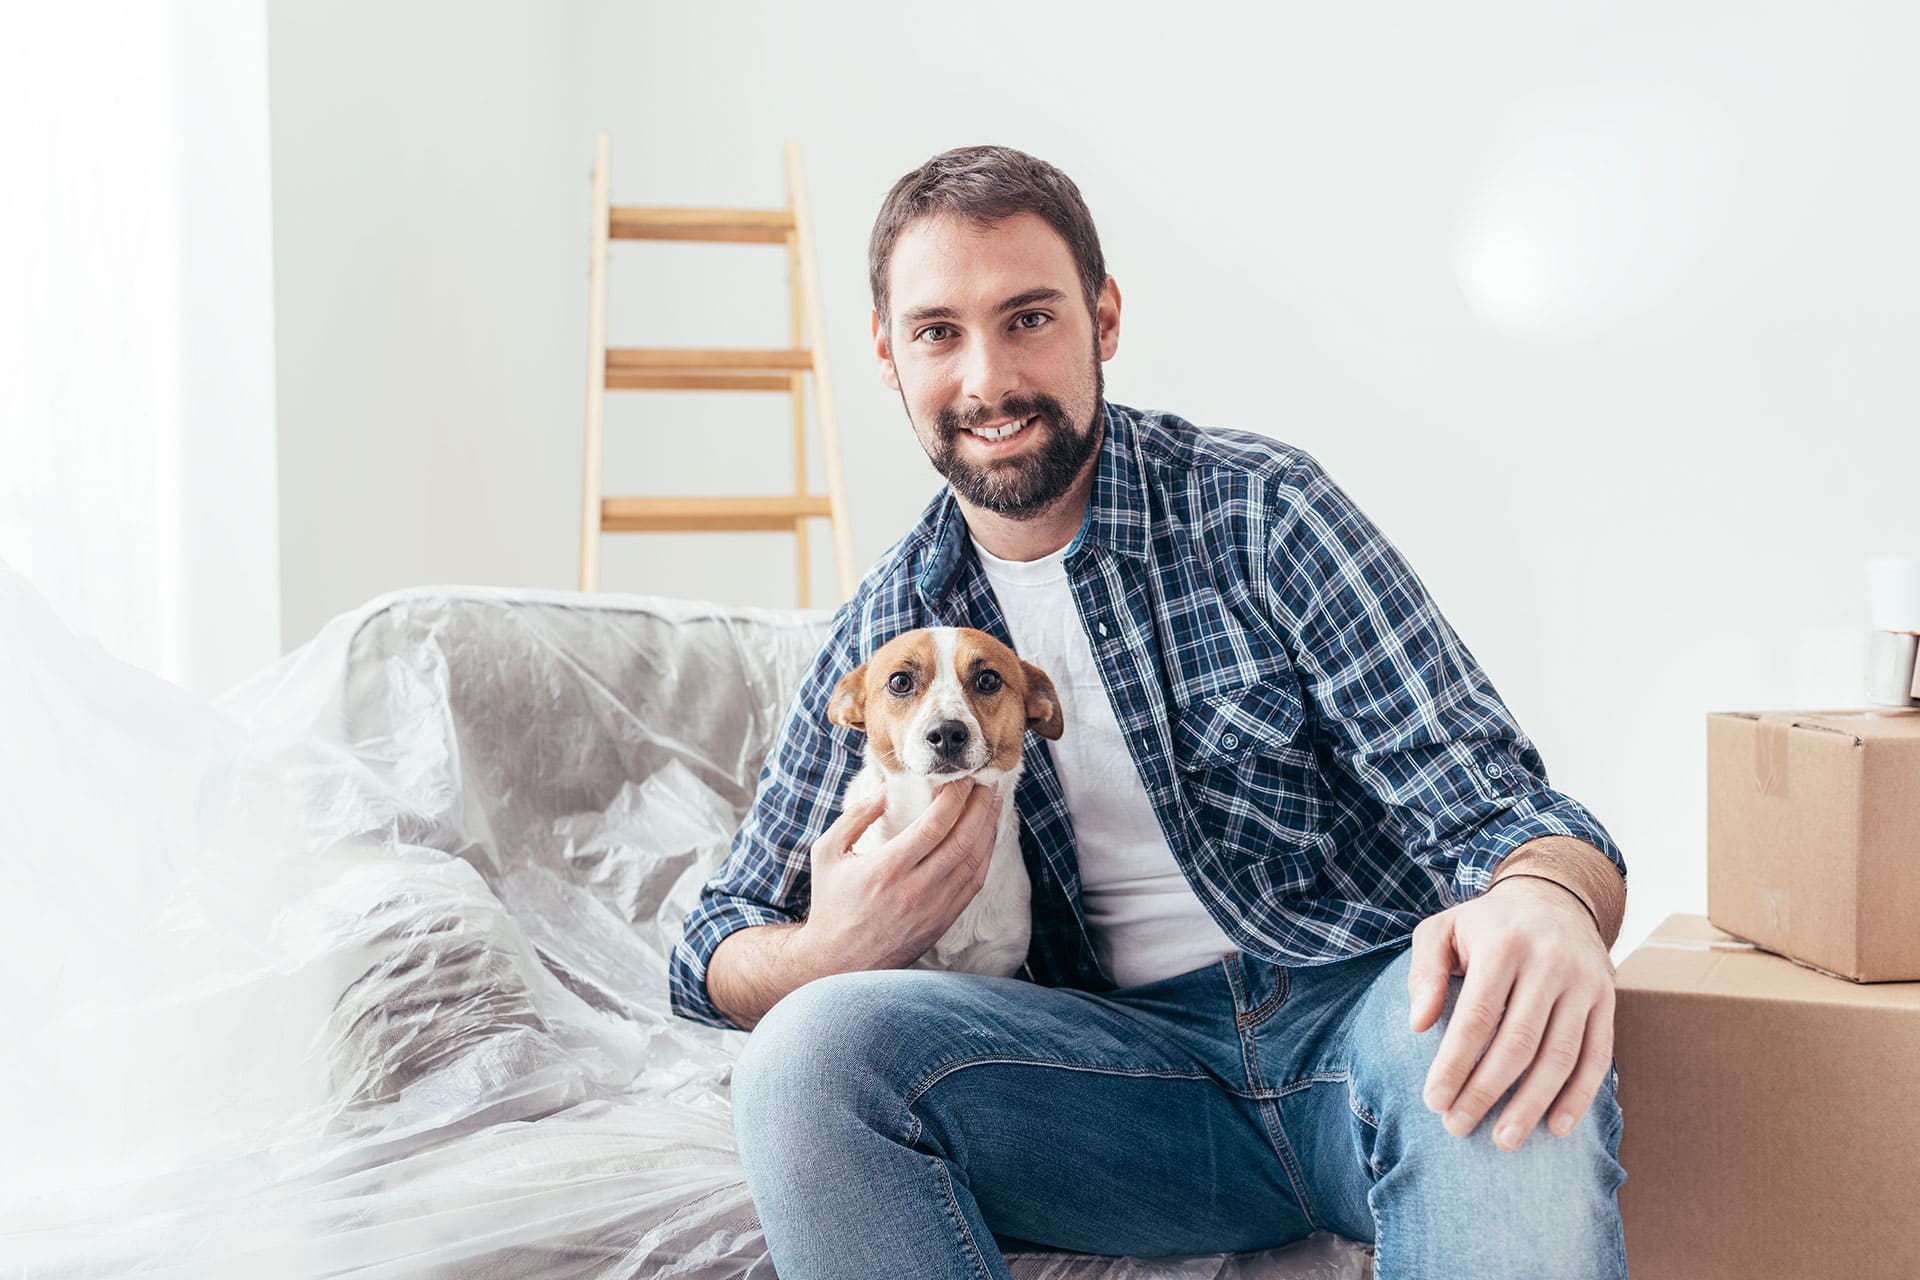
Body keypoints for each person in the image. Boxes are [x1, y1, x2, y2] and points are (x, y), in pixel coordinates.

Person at [668, 144, 1629, 1279]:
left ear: (1103, 316)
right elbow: (709, 940)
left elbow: (1504, 811)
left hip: (1358, 1028)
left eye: (1028, 317)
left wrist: (1547, 897)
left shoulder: (1262, 512)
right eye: (938, 332)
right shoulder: (893, 628)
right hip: (1110, 1091)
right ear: (887, 352)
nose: (987, 379)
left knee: (1499, 1030)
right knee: (803, 1058)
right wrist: (831, 946)